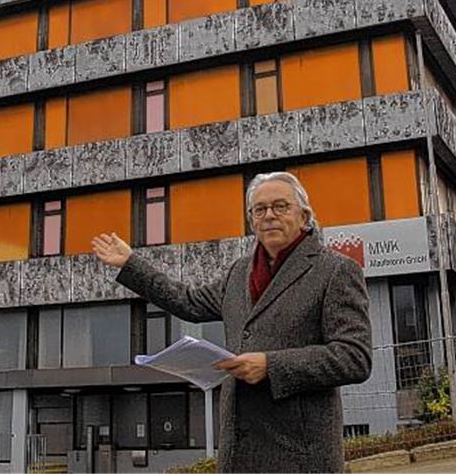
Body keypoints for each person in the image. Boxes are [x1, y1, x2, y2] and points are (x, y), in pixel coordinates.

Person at [91, 171, 372, 473]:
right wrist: (132, 264)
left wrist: (271, 365)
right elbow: (189, 302)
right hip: (239, 451)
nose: (269, 216)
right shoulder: (240, 272)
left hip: (300, 453)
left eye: (280, 206)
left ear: (304, 216)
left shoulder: (336, 271)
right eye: (260, 210)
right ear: (252, 221)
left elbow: (354, 356)